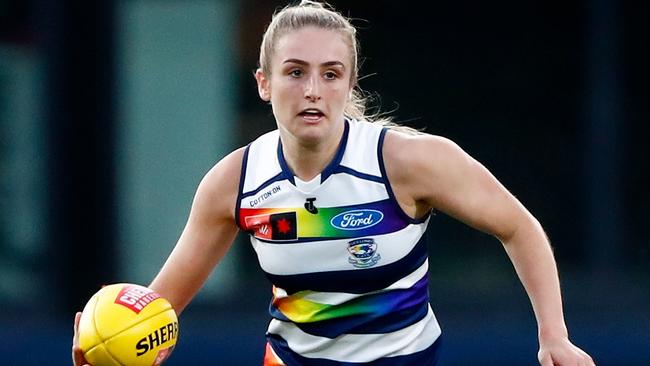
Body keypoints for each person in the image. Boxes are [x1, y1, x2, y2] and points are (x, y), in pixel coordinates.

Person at [73, 1, 596, 365]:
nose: (312, 91)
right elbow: (157, 314)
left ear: (349, 82)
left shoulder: (410, 162)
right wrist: (112, 341)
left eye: (330, 73)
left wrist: (554, 334)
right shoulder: (233, 183)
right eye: (295, 72)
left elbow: (519, 227)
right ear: (263, 82)